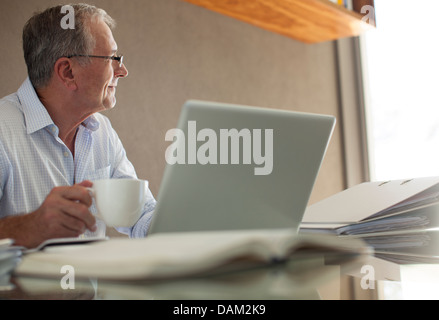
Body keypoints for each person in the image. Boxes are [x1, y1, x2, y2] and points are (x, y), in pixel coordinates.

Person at [0, 4, 156, 248]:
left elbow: (141, 215)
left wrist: (190, 222)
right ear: (68, 72)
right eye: (112, 58)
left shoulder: (102, 132)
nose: (122, 70)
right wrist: (32, 226)